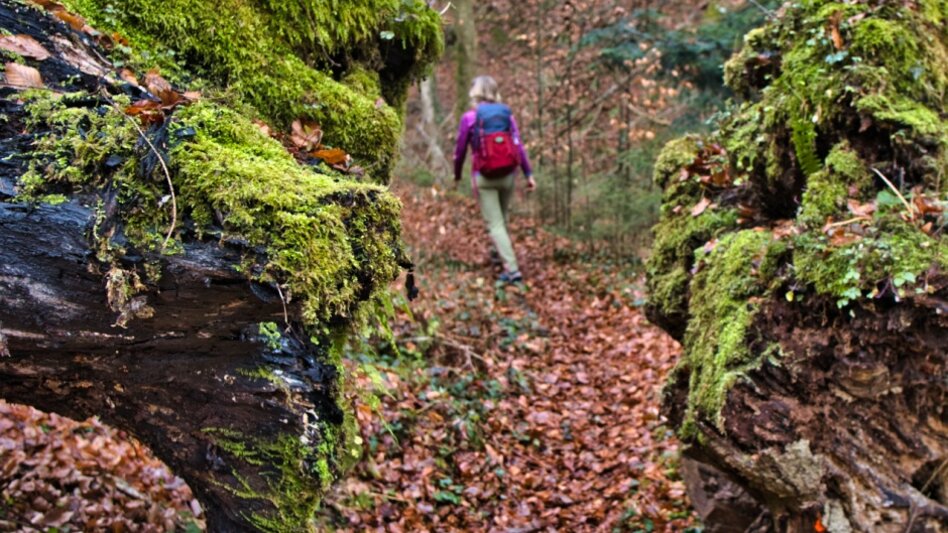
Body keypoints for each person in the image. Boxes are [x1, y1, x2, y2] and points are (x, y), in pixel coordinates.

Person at [453, 75, 536, 283]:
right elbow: (518, 146)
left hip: (483, 177)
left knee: (495, 224)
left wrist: (456, 174)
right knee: (502, 220)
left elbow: (460, 150)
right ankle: (499, 255)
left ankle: (512, 270)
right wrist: (528, 174)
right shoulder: (506, 115)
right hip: (508, 175)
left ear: (475, 92)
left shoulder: (470, 118)